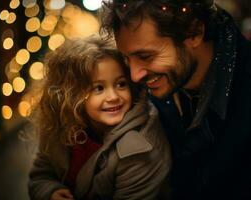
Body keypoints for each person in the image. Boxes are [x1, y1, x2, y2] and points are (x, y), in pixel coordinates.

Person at [100, 0, 251, 199]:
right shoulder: (147, 91)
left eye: (145, 56)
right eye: (127, 59)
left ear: (194, 32)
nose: (135, 76)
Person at [28, 35, 171, 200]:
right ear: (73, 95)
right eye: (98, 88)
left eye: (121, 84)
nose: (113, 96)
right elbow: (40, 176)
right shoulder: (62, 125)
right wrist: (50, 192)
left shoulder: (140, 148)